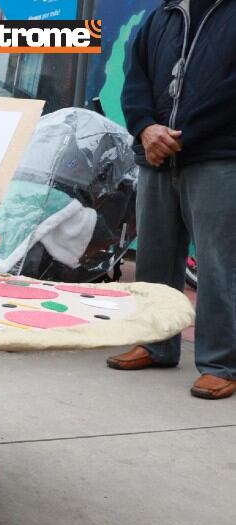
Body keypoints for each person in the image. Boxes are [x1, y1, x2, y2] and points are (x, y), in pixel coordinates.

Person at [109, 0, 236, 400]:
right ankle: (155, 344)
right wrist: (146, 128)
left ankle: (221, 364)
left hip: (218, 156)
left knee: (219, 264)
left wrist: (179, 136)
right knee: (154, 258)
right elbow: (135, 79)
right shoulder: (162, 14)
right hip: (156, 155)